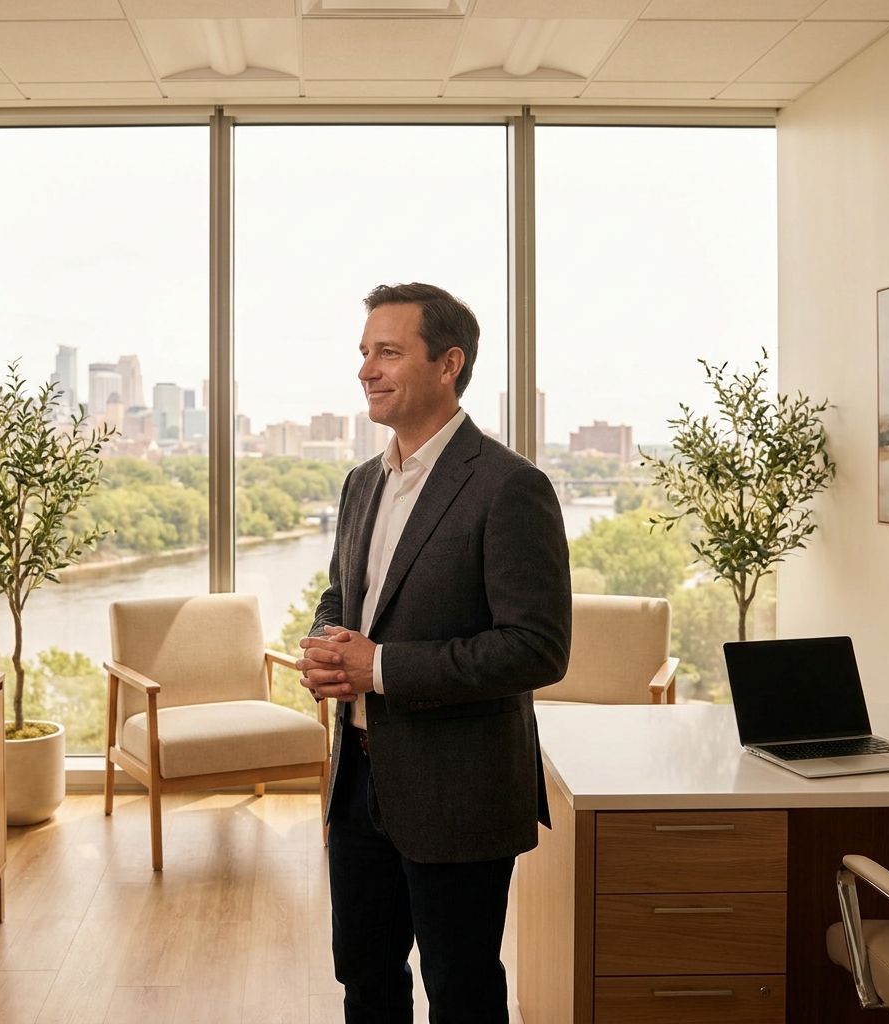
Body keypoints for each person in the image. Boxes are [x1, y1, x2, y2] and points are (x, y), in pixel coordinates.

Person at [296, 282, 571, 1024]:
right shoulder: (361, 484)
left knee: (462, 989)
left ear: (448, 364)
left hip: (461, 788)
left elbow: (537, 648)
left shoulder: (511, 487)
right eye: (363, 352)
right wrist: (327, 648)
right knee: (366, 978)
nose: (366, 369)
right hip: (356, 782)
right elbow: (342, 600)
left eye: (388, 352)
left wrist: (378, 667)